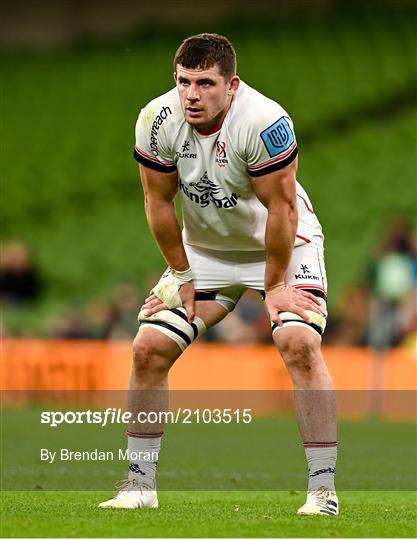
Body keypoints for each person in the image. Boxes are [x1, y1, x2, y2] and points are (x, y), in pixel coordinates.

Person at [99, 33, 338, 516]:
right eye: (184, 82)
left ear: (231, 85)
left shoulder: (265, 121)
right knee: (148, 348)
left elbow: (283, 208)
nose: (192, 94)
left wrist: (273, 287)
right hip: (206, 250)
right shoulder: (155, 120)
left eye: (205, 83)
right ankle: (139, 487)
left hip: (283, 243)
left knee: (299, 343)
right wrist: (180, 272)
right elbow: (157, 201)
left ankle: (322, 492)